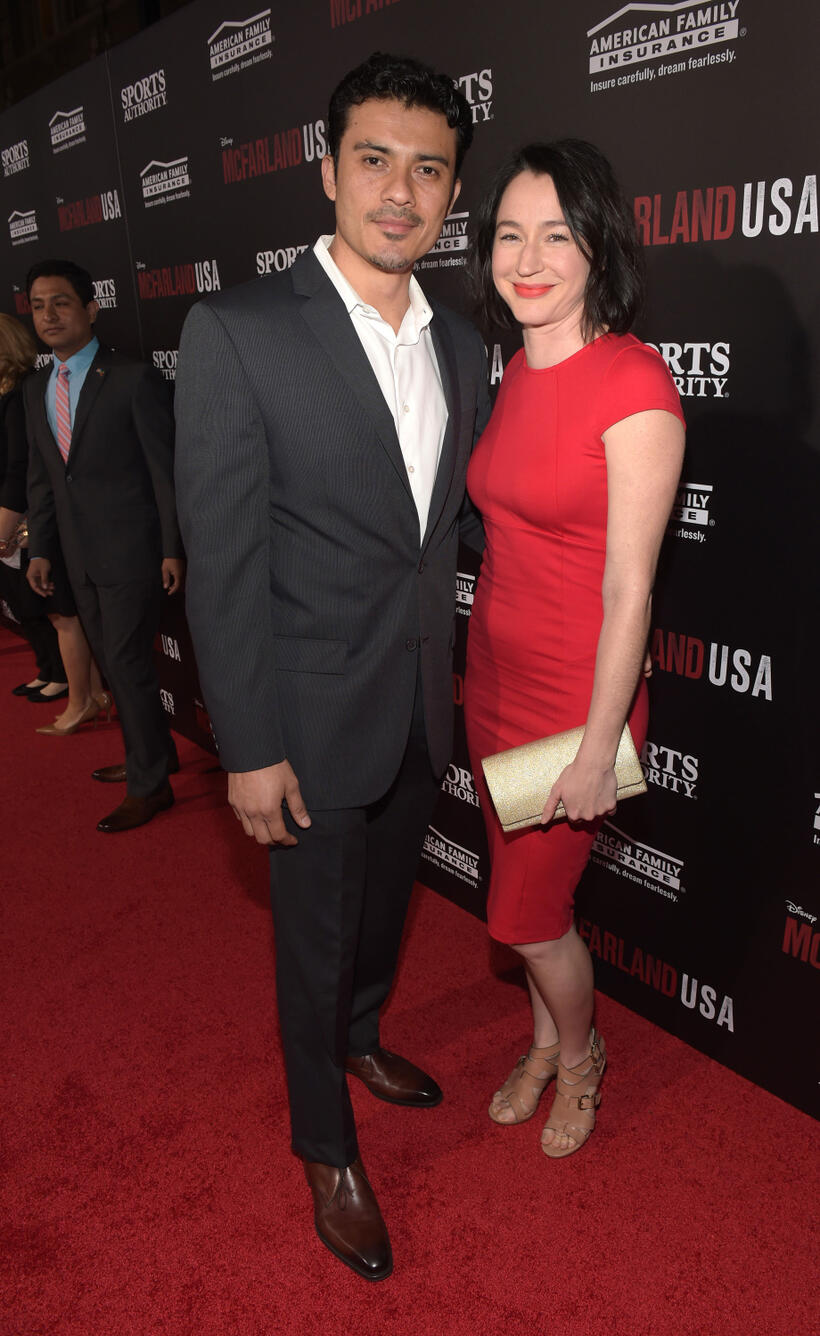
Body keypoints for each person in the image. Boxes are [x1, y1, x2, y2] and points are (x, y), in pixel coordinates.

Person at [174, 52, 489, 1281]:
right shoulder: (239, 330)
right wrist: (245, 743)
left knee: (379, 918)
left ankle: (361, 1037)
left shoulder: (463, 346)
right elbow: (223, 557)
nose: (400, 192)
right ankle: (327, 1144)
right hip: (299, 719)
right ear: (327, 171)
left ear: (450, 191)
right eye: (375, 161)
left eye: (427, 169)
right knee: (309, 942)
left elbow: (445, 531)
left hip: (416, 699)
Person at [464, 141, 685, 1160]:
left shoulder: (633, 382)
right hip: (495, 683)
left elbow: (628, 586)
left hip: (574, 702)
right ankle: (545, 1041)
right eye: (511, 233)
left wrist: (600, 749)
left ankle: (582, 1054)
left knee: (524, 917)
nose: (530, 257)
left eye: (556, 233)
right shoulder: (513, 366)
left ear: (599, 244)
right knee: (524, 902)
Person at [24, 259, 185, 831]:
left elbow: (165, 472)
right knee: (122, 665)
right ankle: (157, 754)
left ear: (90, 309)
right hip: (75, 555)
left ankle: (151, 785)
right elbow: (43, 479)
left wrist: (172, 546)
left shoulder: (133, 378)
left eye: (61, 303)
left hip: (134, 550)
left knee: (125, 662)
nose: (48, 315)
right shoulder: (35, 387)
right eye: (38, 306)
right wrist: (40, 550)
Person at [0, 312, 68, 700]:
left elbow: (20, 464)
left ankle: (60, 673)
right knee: (19, 600)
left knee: (40, 601)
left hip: (24, 513)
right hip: (8, 511)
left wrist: (7, 523)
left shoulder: (20, 394)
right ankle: (46, 668)